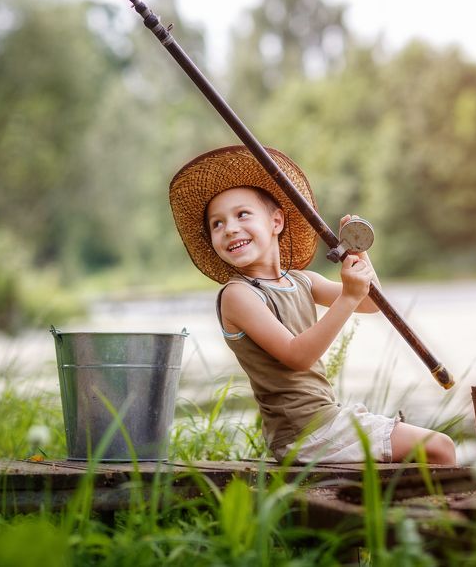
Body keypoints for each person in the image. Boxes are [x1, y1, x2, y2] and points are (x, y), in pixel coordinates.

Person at [169, 145, 457, 465]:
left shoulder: (303, 281)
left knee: (433, 451)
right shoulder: (239, 295)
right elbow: (298, 356)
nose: (230, 228)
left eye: (242, 214)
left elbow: (372, 303)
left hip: (323, 422)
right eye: (217, 224)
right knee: (440, 448)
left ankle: (409, 512)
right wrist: (348, 296)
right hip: (302, 434)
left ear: (276, 221)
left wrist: (359, 256)